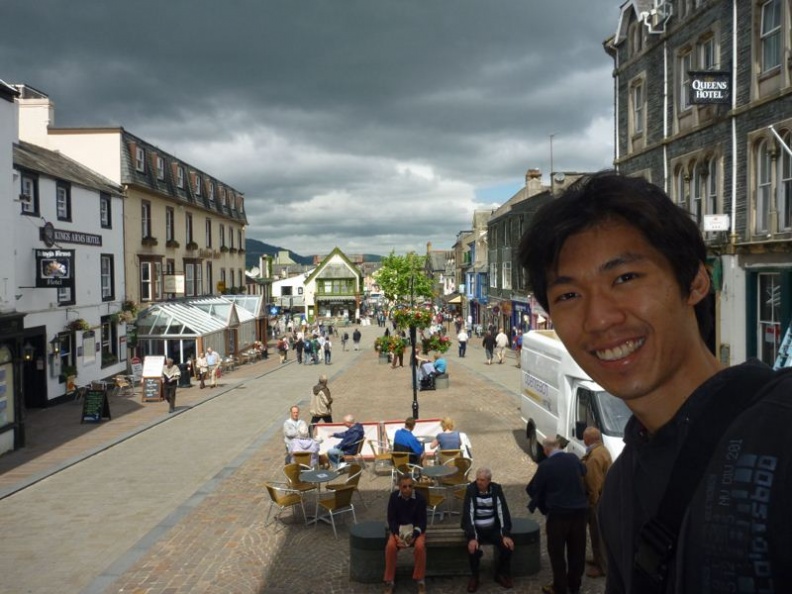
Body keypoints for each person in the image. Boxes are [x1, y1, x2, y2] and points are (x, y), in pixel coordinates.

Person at [518, 170, 792, 594]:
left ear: (696, 281)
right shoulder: (619, 492)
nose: (599, 318)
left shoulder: (780, 430)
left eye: (625, 278)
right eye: (569, 295)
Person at [526, 436, 588, 594]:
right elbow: (584, 471)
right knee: (577, 551)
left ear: (546, 450)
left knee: (557, 553)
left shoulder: (546, 465)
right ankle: (574, 586)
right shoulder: (573, 459)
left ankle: (559, 587)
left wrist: (545, 508)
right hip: (579, 513)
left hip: (558, 515)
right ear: (559, 446)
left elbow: (533, 489)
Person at [462, 467, 515, 592]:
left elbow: (503, 511)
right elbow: (468, 515)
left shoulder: (496, 489)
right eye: (478, 479)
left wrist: (505, 534)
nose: (479, 482)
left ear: (489, 481)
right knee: (473, 549)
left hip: (492, 529)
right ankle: (475, 577)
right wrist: (472, 537)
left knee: (507, 547)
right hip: (477, 530)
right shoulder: (471, 489)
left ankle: (500, 573)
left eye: (482, 480)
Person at [383, 474, 428, 594]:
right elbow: (391, 519)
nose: (407, 489)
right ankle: (389, 580)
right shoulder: (393, 498)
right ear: (399, 487)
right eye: (404, 486)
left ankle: (420, 580)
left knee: (419, 547)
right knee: (391, 547)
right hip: (399, 529)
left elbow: (422, 522)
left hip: (415, 530)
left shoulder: (420, 499)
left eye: (410, 486)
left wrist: (413, 536)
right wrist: (397, 536)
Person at [580, 427, 612, 579]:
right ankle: (598, 559)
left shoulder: (594, 458)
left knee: (597, 534)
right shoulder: (602, 450)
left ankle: (602, 567)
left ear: (588, 439)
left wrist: (592, 504)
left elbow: (593, 484)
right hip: (604, 499)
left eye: (584, 437)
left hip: (597, 502)